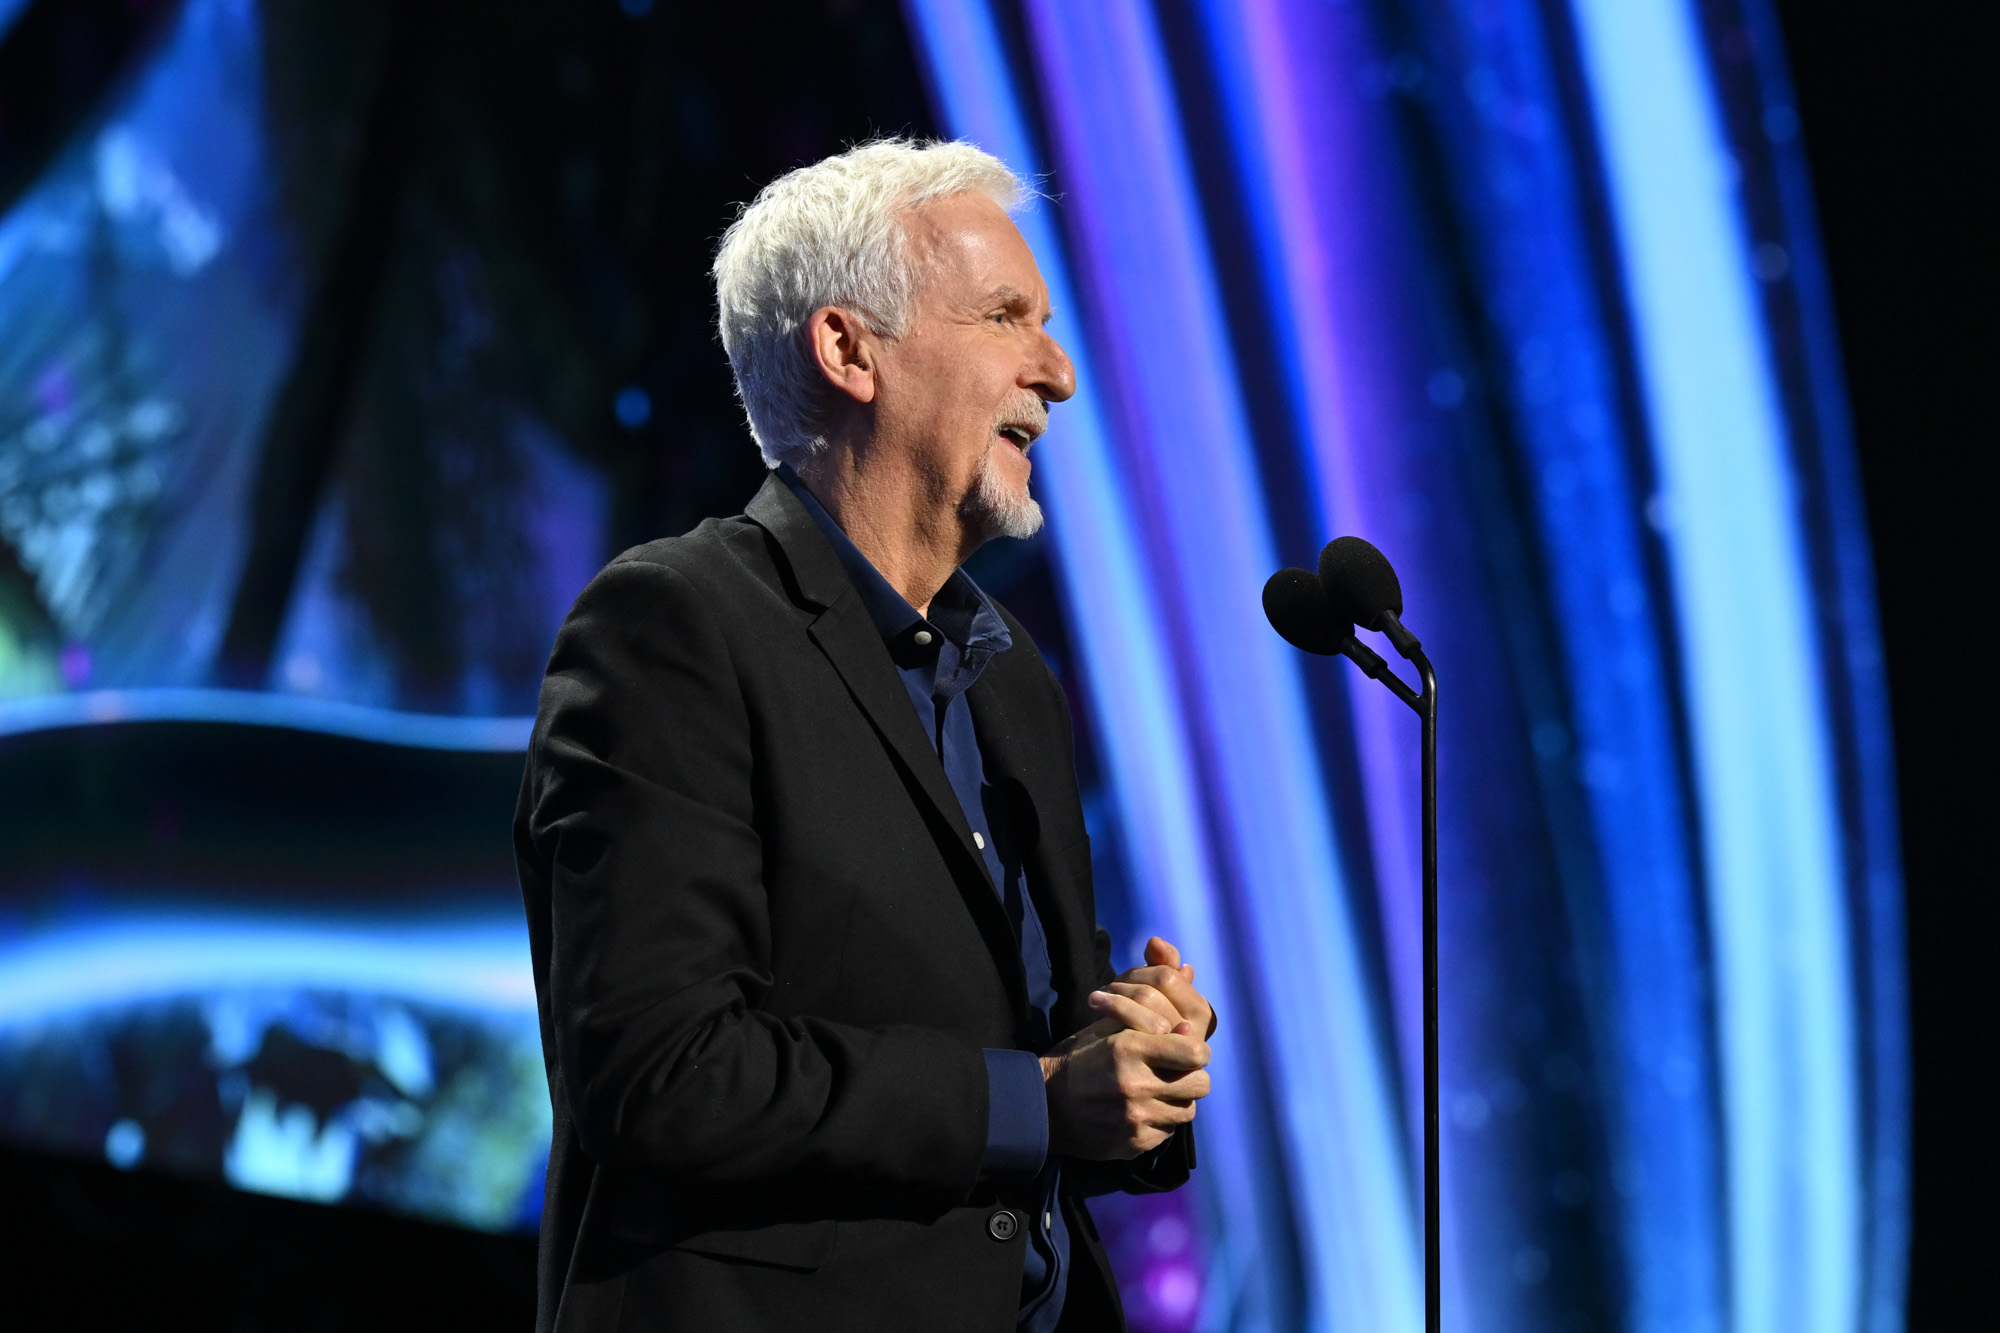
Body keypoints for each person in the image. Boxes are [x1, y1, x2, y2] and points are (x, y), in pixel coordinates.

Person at [515, 139, 1218, 1333]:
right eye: (1006, 317)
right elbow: (663, 1074)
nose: (1056, 373)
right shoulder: (672, 626)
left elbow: (1034, 1077)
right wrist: (1042, 1100)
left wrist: (1133, 1060)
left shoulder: (1011, 682)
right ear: (848, 350)